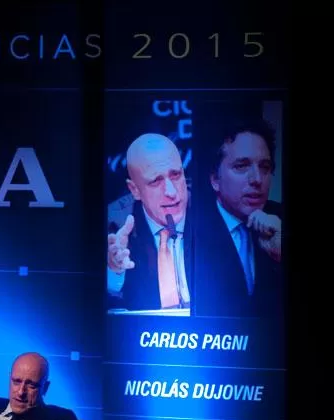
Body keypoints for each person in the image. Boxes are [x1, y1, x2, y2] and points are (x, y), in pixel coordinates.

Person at [192, 118, 283, 318]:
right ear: (215, 179)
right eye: (242, 166)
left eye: (265, 167)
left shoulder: (279, 220)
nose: (257, 179)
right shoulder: (191, 229)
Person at [107, 133, 193, 313]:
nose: (171, 192)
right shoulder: (114, 224)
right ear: (134, 190)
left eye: (176, 175)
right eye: (155, 181)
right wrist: (114, 269)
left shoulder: (212, 211)